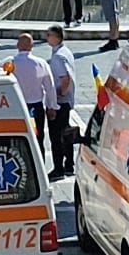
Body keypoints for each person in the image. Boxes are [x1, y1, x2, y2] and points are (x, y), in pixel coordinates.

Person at [6, 32, 57, 139]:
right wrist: (52, 106)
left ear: (17, 46)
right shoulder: (41, 63)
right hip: (36, 108)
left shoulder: (10, 64)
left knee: (18, 137)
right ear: (32, 46)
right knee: (38, 138)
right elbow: (50, 87)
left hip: (17, 107)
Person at [45, 26, 77, 179]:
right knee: (65, 133)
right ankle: (69, 165)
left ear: (57, 37)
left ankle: (59, 168)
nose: (47, 37)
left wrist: (57, 96)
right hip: (67, 101)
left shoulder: (58, 56)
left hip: (61, 102)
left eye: (49, 35)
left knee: (56, 136)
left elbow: (65, 79)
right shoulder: (65, 52)